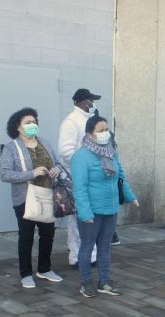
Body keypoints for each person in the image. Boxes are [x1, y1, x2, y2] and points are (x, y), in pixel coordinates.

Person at [71, 116, 138, 298]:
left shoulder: (110, 152)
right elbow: (79, 188)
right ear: (89, 134)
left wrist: (130, 196)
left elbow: (120, 177)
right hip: (91, 212)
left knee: (105, 247)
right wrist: (85, 213)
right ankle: (85, 283)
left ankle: (104, 281)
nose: (105, 133)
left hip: (110, 208)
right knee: (87, 247)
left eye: (106, 129)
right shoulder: (80, 157)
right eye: (100, 130)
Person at [0, 107, 64, 288]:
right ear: (18, 127)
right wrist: (31, 173)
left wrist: (56, 169)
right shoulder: (11, 148)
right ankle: (25, 273)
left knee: (48, 234)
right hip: (25, 199)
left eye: (34, 122)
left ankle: (44, 269)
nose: (32, 125)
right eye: (27, 123)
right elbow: (5, 174)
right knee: (26, 236)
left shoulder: (44, 142)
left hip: (47, 196)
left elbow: (57, 163)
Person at [58, 88, 100, 268]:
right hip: (78, 177)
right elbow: (65, 151)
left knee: (90, 217)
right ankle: (77, 257)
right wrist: (85, 165)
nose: (93, 104)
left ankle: (91, 255)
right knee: (77, 220)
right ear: (83, 102)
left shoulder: (88, 121)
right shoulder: (71, 122)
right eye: (91, 101)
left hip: (90, 177)